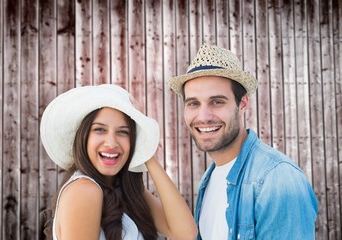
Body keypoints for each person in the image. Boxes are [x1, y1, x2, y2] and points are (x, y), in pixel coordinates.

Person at [168, 44, 318, 239]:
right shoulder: (211, 177)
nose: (203, 116)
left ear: (243, 104)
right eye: (194, 103)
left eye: (217, 102)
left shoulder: (277, 180)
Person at [40, 84, 198, 240]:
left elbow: (185, 233)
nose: (111, 143)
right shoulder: (85, 190)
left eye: (123, 132)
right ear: (84, 137)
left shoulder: (125, 190)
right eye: (100, 130)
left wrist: (145, 148)